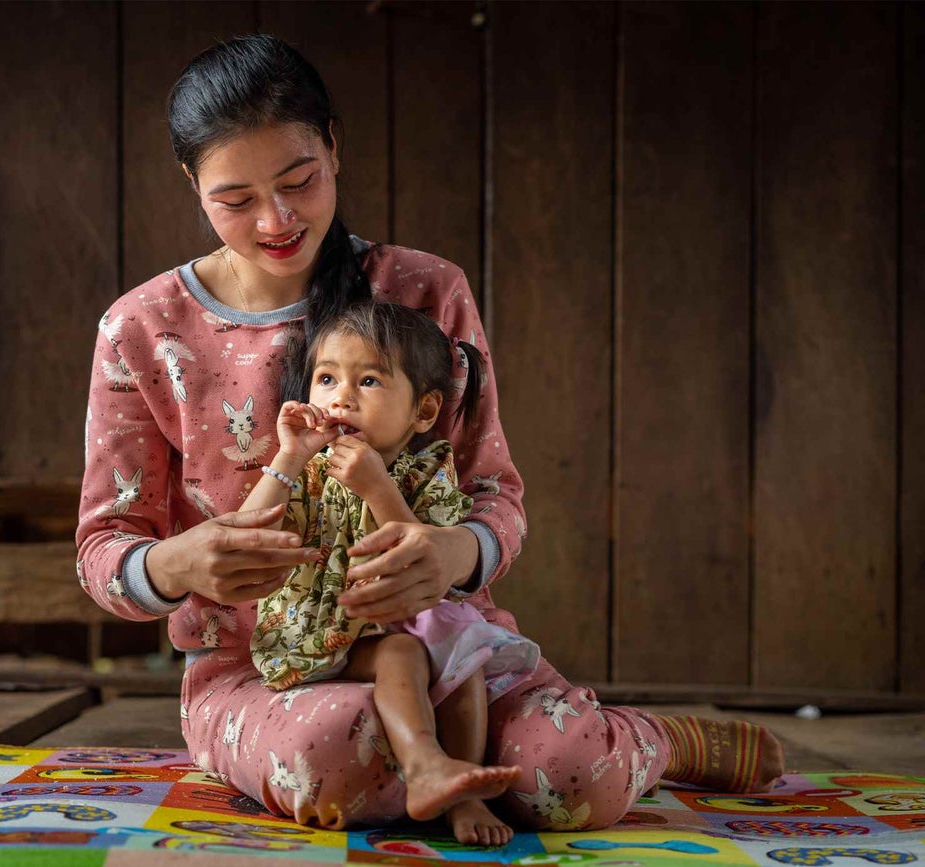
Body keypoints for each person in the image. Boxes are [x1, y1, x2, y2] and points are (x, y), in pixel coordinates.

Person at [77, 32, 784, 842]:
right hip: (265, 675)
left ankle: (662, 741)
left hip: (448, 651)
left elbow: (496, 497)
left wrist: (454, 554)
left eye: (300, 181)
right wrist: (176, 563)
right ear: (191, 184)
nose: (276, 219)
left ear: (335, 149)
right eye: (236, 199)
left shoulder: (424, 290)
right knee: (331, 750)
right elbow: (103, 549)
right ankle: (429, 772)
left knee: (570, 775)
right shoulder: (142, 329)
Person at [244, 301, 542, 844]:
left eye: (370, 380)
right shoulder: (307, 469)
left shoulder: (429, 470)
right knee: (405, 653)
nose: (341, 397)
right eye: (327, 378)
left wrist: (378, 487)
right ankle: (427, 764)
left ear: (423, 412)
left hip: (403, 624)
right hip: (319, 633)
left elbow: (424, 559)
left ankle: (461, 789)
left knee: (464, 652)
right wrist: (286, 459)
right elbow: (248, 530)